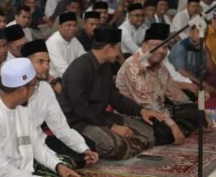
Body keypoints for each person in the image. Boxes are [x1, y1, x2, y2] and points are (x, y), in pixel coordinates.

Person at [58, 27, 167, 159]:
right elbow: (81, 109)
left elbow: (114, 97)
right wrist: (111, 126)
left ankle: (129, 145)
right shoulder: (79, 68)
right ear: (108, 48)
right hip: (79, 122)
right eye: (118, 49)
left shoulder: (106, 67)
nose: (119, 54)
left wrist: (141, 111)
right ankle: (123, 145)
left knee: (149, 134)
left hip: (100, 116)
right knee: (113, 145)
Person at [116, 24, 197, 145]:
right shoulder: (133, 66)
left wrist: (198, 112)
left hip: (160, 109)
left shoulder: (160, 65)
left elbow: (174, 93)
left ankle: (184, 126)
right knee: (166, 133)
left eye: (165, 47)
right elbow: (147, 103)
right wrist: (173, 125)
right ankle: (181, 128)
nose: (161, 51)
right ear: (144, 46)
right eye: (156, 46)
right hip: (139, 114)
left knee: (193, 108)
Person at [23, 40, 98, 169]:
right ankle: (63, 163)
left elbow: (60, 127)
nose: (46, 66)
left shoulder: (45, 88)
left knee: (88, 145)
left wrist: (84, 149)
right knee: (57, 159)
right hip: (21, 143)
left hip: (40, 139)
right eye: (40, 62)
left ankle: (69, 161)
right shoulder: (17, 91)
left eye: (48, 62)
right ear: (26, 64)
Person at [45, 12, 85, 79]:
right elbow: (63, 69)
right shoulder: (53, 42)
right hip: (55, 79)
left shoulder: (73, 39)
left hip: (71, 75)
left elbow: (84, 57)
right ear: (60, 27)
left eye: (74, 25)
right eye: (68, 25)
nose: (72, 28)